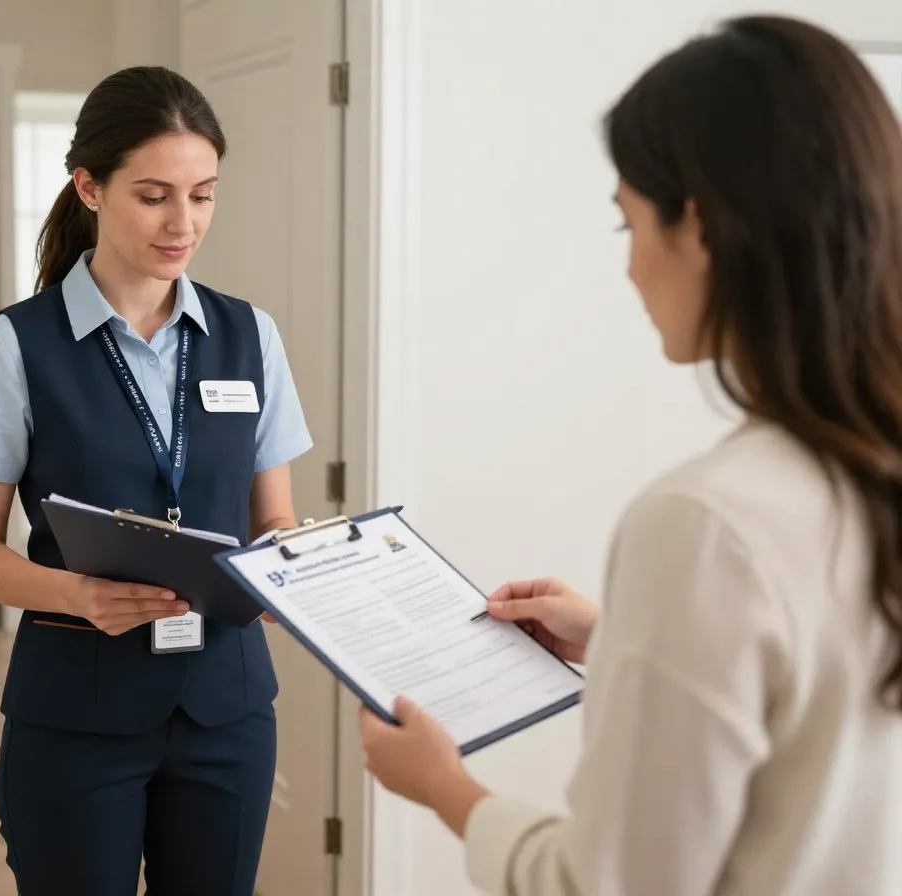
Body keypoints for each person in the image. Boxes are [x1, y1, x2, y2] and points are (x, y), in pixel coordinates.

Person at [360, 15, 902, 895]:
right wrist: (624, 638)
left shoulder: (703, 523)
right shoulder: (864, 472)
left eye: (628, 227)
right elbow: (825, 705)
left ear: (700, 226)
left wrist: (443, 787)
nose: (629, 270)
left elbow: (604, 884)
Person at [0, 66, 312, 895]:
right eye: (154, 195)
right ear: (90, 187)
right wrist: (77, 593)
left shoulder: (252, 336)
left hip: (228, 706)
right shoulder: (13, 347)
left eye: (204, 195)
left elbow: (276, 519)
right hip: (77, 711)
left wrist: (312, 559)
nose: (184, 223)